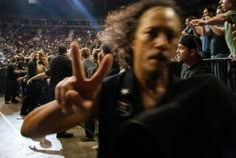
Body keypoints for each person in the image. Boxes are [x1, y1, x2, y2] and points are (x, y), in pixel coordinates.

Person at [21, 0, 236, 158]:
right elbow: (30, 128)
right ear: (132, 40)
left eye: (170, 36)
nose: (162, 42)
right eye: (152, 33)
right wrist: (72, 105)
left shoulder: (204, 91)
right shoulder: (110, 91)